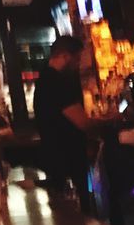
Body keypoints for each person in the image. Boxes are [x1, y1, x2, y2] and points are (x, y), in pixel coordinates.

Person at [33, 36, 92, 208]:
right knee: (78, 215)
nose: (78, 63)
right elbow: (82, 122)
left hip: (55, 159)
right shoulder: (58, 82)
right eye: (77, 58)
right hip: (68, 161)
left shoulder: (44, 79)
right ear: (65, 56)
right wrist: (110, 120)